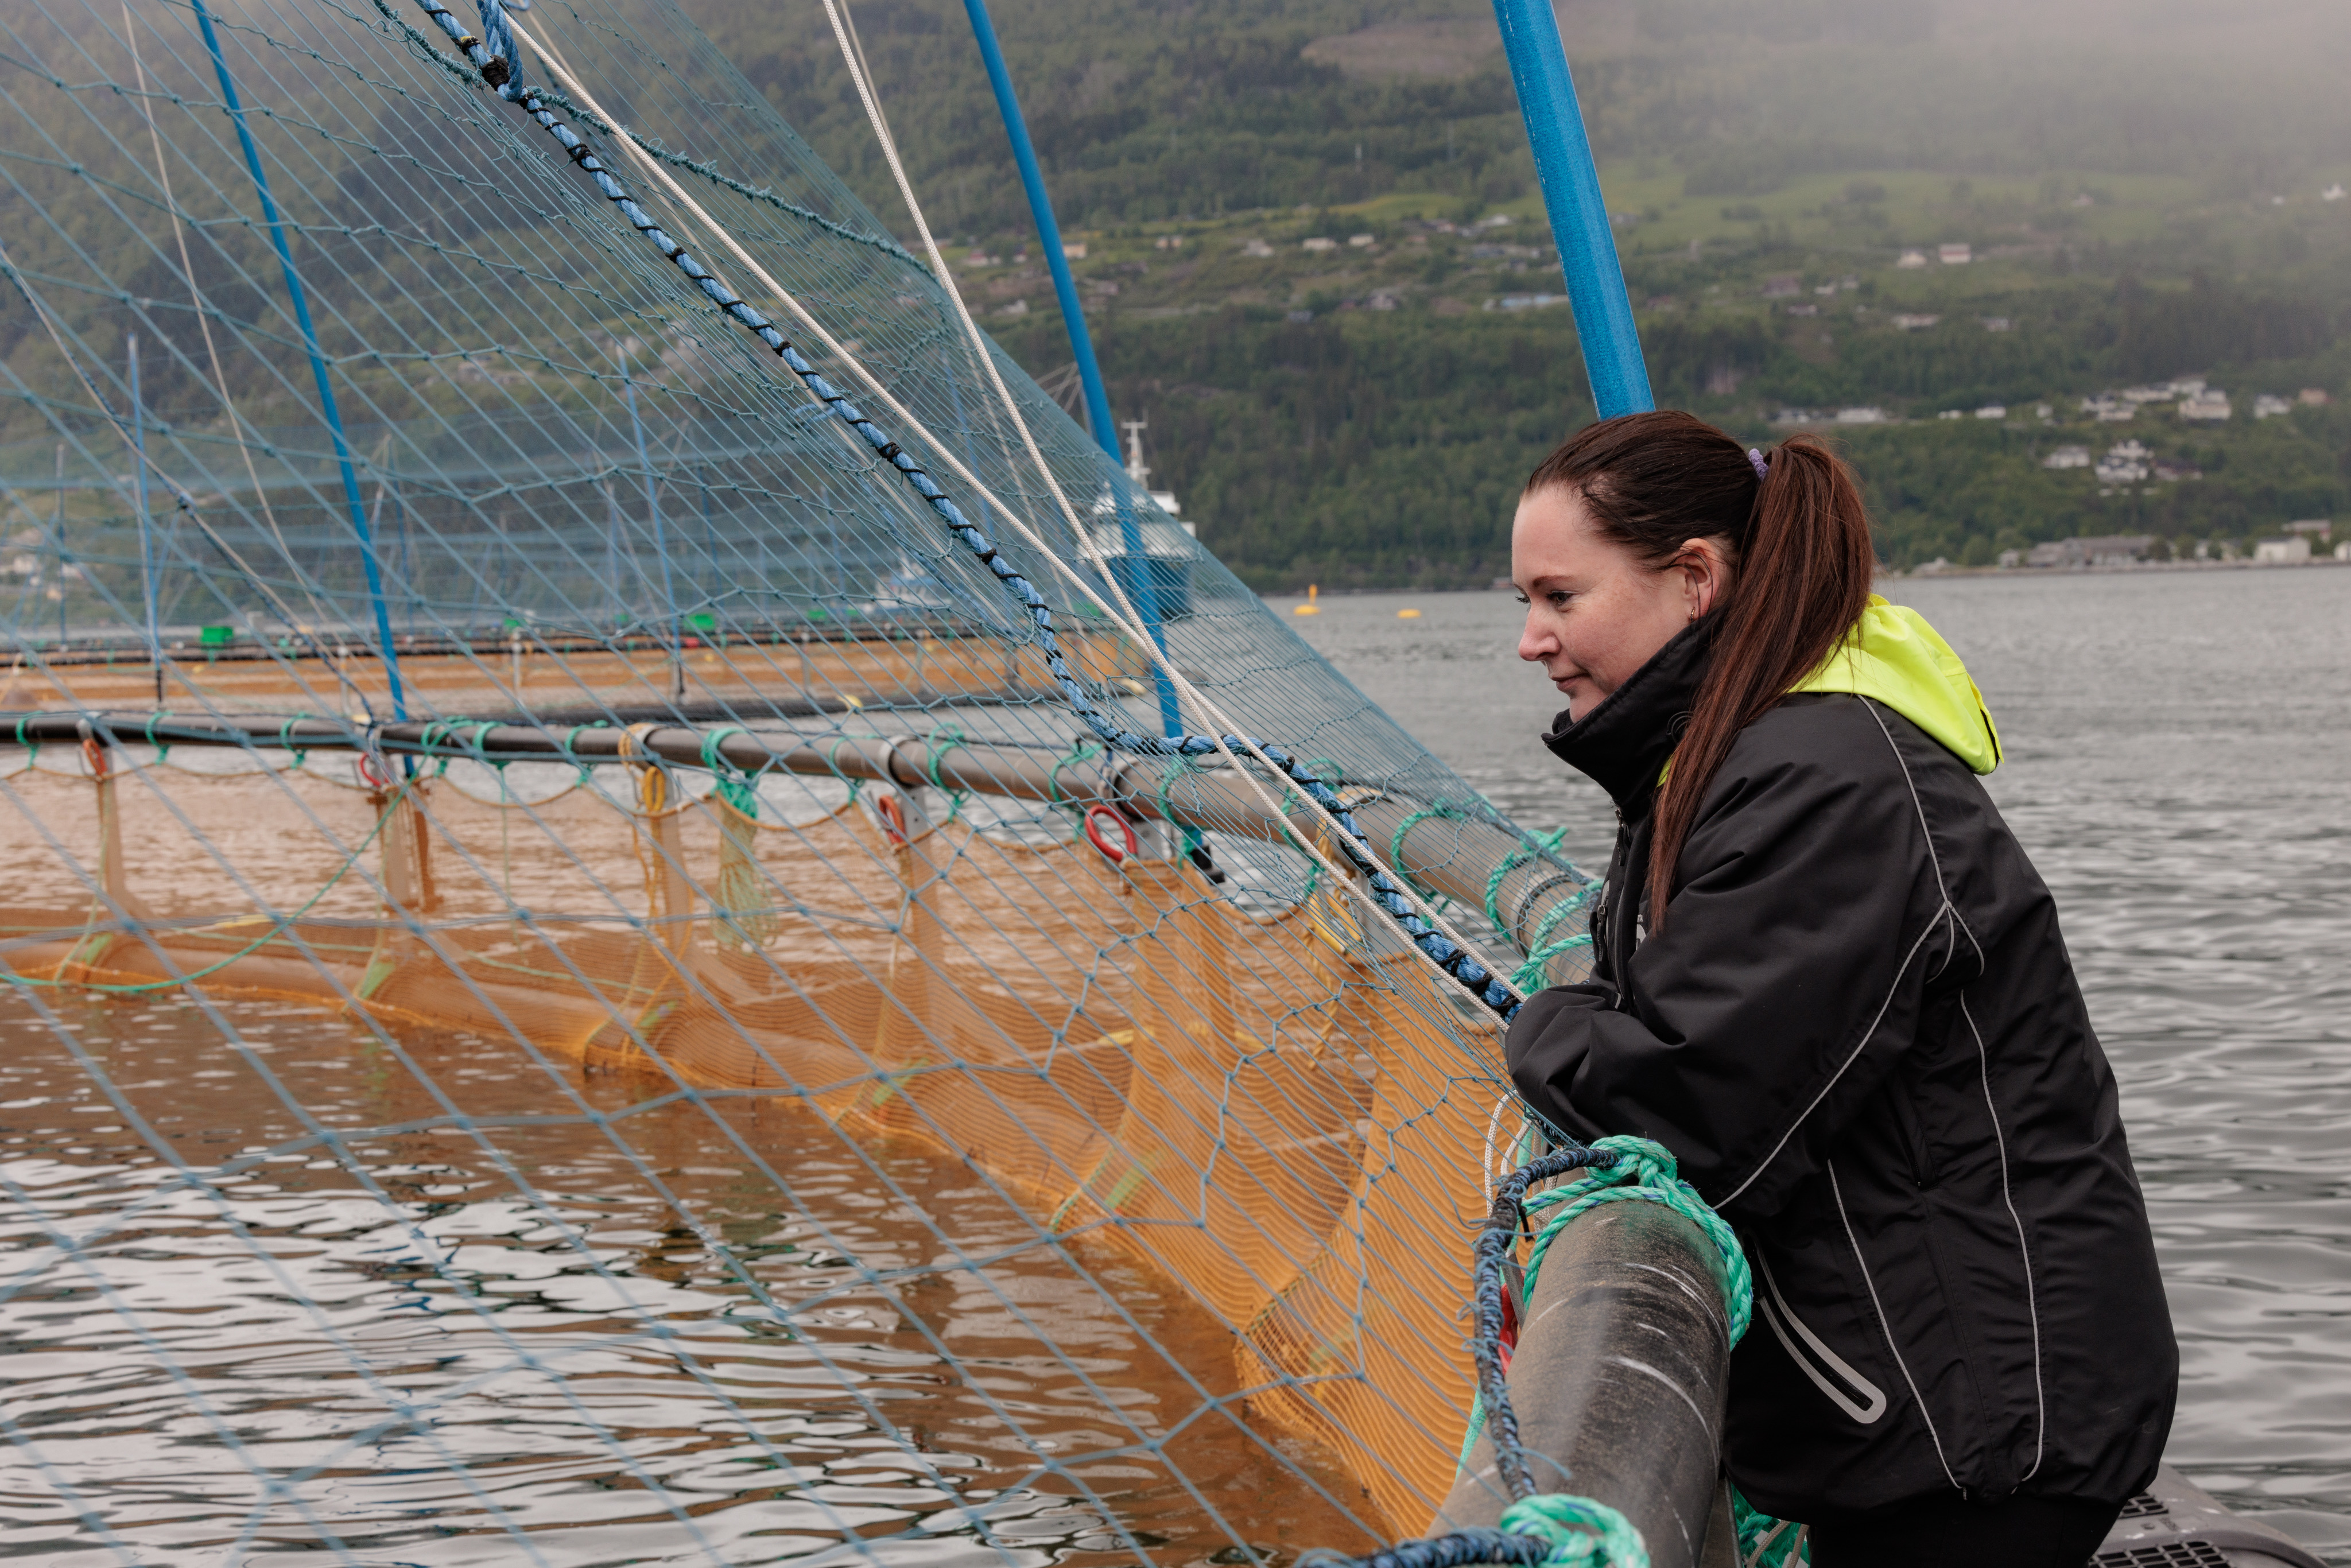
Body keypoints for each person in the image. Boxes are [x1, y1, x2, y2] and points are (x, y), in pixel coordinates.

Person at [1502, 411, 2177, 1567]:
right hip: (1914, 1400)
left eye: (1560, 598)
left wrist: (1538, 1021)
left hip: (1974, 1433)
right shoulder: (1743, 755)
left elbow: (1676, 1101)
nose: (1531, 639)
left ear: (1696, 578)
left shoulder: (1823, 779)